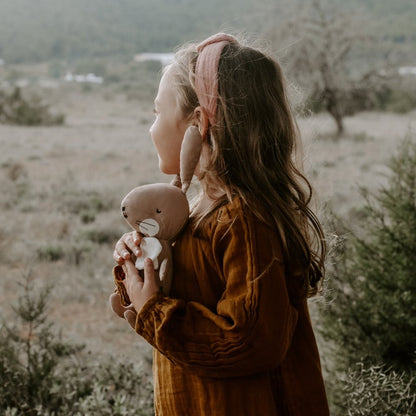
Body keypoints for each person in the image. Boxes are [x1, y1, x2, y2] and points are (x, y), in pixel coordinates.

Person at [111, 33, 330, 415]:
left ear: (197, 122)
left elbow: (250, 341)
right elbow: (177, 304)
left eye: (157, 112)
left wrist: (154, 312)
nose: (151, 127)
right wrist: (139, 272)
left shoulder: (242, 221)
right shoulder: (196, 212)